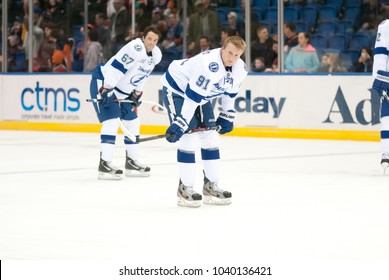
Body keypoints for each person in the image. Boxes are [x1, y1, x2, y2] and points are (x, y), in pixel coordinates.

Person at [160, 36, 248, 207]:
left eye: (237, 55)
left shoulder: (240, 69)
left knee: (210, 137)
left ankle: (211, 186)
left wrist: (227, 115)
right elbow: (192, 97)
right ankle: (185, 188)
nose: (232, 58)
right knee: (189, 137)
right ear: (222, 49)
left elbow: (230, 95)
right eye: (229, 53)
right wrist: (181, 123)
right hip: (178, 88)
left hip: (200, 93)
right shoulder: (209, 66)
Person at [89, 26, 162, 180]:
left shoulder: (155, 55)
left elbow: (143, 75)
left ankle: (131, 162)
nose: (152, 43)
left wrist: (137, 93)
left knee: (133, 122)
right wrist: (106, 89)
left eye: (155, 40)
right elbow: (117, 68)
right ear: (143, 37)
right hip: (104, 83)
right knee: (111, 122)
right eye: (149, 39)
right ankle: (104, 164)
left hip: (122, 92)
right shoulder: (134, 48)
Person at [372, 19, 389, 173]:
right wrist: (380, 81)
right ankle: (387, 153)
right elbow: (380, 56)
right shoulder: (385, 27)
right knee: (387, 118)